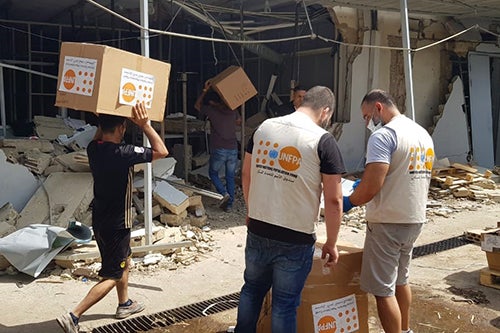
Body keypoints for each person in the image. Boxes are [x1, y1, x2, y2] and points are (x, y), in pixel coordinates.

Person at [235, 86, 345, 333]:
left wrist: (252, 210)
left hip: (259, 228)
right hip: (295, 236)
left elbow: (246, 173)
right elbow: (334, 199)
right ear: (325, 112)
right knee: (284, 305)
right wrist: (332, 242)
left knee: (251, 289)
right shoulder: (323, 141)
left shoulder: (264, 128)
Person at [56, 102, 169, 333]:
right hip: (118, 224)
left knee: (123, 259)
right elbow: (162, 151)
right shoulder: (123, 153)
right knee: (112, 274)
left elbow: (101, 135)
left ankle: (124, 304)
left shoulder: (93, 149)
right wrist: (146, 124)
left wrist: (104, 116)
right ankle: (73, 315)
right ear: (121, 128)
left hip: (100, 220)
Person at [343, 89, 435, 333]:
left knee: (383, 290)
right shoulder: (421, 133)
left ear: (378, 108)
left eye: (366, 116)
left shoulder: (384, 136)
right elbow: (404, 174)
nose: (366, 122)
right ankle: (405, 330)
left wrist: (349, 201)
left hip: (387, 222)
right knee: (401, 281)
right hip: (414, 218)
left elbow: (372, 186)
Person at [194, 81, 241, 212]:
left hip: (219, 148)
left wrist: (204, 91)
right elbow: (239, 121)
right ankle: (230, 205)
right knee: (230, 176)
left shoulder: (211, 111)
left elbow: (197, 105)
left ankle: (223, 193)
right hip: (233, 148)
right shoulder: (232, 111)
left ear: (213, 102)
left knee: (213, 173)